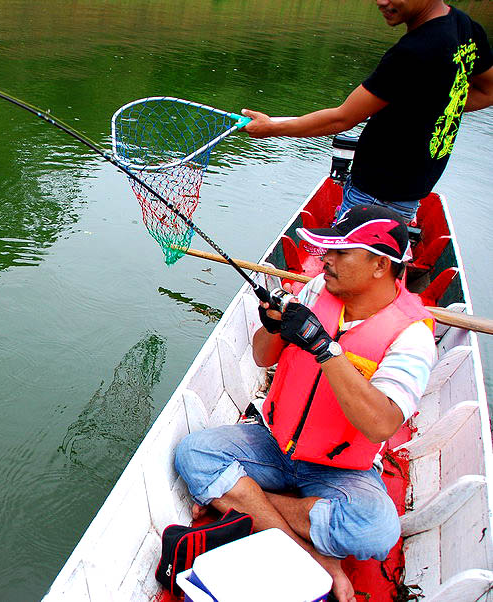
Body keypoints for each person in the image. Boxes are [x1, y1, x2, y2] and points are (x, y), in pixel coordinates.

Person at [174, 205, 437, 602]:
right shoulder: (317, 290)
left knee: (375, 530)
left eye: (341, 252)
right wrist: (273, 326)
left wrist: (324, 349)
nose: (324, 260)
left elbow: (382, 425)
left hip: (340, 469)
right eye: (326, 250)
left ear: (380, 265)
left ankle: (249, 505)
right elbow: (264, 357)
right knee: (194, 453)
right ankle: (310, 551)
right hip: (274, 444)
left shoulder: (412, 337)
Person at [242, 0, 493, 223]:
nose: (381, 2)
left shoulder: (414, 51)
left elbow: (343, 118)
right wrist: (430, 103)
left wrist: (271, 129)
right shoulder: (465, 27)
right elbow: (488, 91)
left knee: (349, 271)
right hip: (412, 189)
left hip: (376, 196)